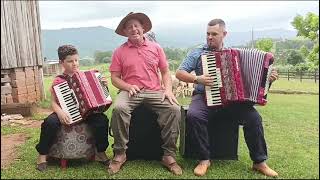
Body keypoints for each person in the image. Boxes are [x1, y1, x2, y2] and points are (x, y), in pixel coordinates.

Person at [175, 19, 279, 177]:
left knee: (254, 118)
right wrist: (197, 79)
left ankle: (259, 162)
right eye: (208, 34)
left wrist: (267, 79)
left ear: (224, 34)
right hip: (204, 96)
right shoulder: (197, 52)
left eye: (214, 34)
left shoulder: (234, 55)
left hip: (232, 100)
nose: (210, 37)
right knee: (194, 115)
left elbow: (254, 83)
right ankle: (204, 159)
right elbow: (179, 73)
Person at [108, 12, 182, 175]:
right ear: (125, 32)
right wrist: (127, 86)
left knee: (174, 109)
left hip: (154, 90)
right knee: (119, 108)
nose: (133, 29)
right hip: (130, 91)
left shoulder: (156, 48)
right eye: (129, 27)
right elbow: (114, 78)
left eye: (136, 26)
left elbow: (165, 71)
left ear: (143, 28)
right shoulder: (119, 51)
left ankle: (168, 155)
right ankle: (120, 154)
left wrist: (168, 90)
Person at [35, 45, 110, 171]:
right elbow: (53, 102)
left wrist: (103, 87)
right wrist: (59, 112)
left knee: (102, 120)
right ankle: (42, 155)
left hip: (87, 112)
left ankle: (100, 153)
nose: (74, 64)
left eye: (76, 60)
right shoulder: (59, 81)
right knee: (49, 122)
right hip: (66, 112)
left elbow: (100, 97)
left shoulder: (86, 76)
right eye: (70, 61)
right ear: (61, 62)